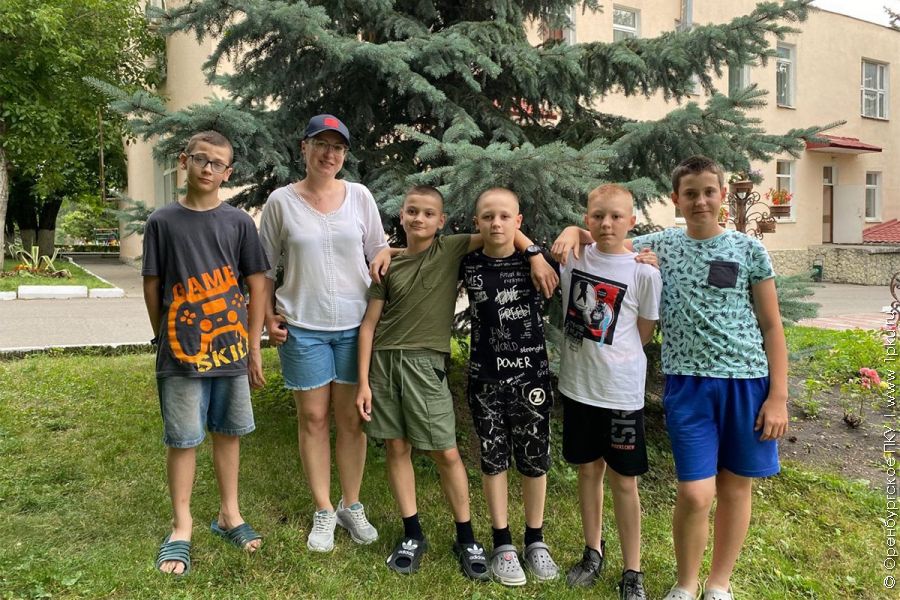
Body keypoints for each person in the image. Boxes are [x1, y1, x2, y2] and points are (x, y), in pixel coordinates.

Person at [555, 156, 789, 600]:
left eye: (708, 192)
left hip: (746, 381)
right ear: (675, 199)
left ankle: (718, 584)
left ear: (722, 194)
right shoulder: (659, 244)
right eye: (690, 193)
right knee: (696, 493)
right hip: (687, 383)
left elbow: (772, 325)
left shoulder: (748, 250)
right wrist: (572, 230)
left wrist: (778, 396)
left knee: (735, 487)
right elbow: (606, 235)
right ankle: (685, 583)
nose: (700, 201)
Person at [355, 185, 558, 580]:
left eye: (428, 213)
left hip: (427, 363)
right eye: (412, 211)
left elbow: (500, 230)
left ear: (442, 221)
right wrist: (363, 382)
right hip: (384, 363)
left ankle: (466, 537)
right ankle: (412, 532)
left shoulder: (451, 249)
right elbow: (369, 325)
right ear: (402, 215)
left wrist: (534, 252)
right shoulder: (388, 266)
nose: (419, 218)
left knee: (446, 451)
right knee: (397, 447)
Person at [259, 114, 391, 552]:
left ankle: (351, 504)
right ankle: (322, 509)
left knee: (352, 420)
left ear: (344, 154)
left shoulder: (360, 196)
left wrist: (388, 261)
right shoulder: (280, 202)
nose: (329, 154)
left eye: (338, 147)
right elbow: (263, 268)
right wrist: (266, 317)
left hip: (356, 327)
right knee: (313, 419)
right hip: (302, 328)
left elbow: (379, 251)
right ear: (304, 147)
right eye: (321, 144)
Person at [142, 130, 269, 575]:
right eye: (200, 159)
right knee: (183, 439)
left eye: (218, 164)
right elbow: (152, 285)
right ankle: (181, 526)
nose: (208, 169)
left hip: (230, 352)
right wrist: (162, 336)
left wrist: (253, 346)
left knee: (228, 432)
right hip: (181, 355)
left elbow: (256, 284)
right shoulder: (162, 221)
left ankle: (229, 514)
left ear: (228, 173)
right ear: (184, 161)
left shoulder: (239, 223)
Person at [556, 184, 661, 600]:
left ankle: (632, 570)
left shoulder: (644, 272)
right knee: (588, 471)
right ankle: (592, 551)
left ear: (631, 221)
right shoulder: (573, 256)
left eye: (616, 216)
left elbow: (644, 331)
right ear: (587, 219)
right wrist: (571, 231)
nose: (606, 223)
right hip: (579, 388)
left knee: (624, 481)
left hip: (620, 393)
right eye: (597, 216)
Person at [459, 188, 559, 586]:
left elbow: (588, 240)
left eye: (504, 216)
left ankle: (535, 540)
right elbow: (424, 253)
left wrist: (534, 251)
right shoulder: (467, 263)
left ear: (518, 222)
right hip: (485, 379)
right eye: (487, 216)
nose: (496, 223)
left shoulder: (538, 261)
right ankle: (502, 543)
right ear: (477, 223)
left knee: (534, 460)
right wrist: (387, 252)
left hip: (531, 378)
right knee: (494, 459)